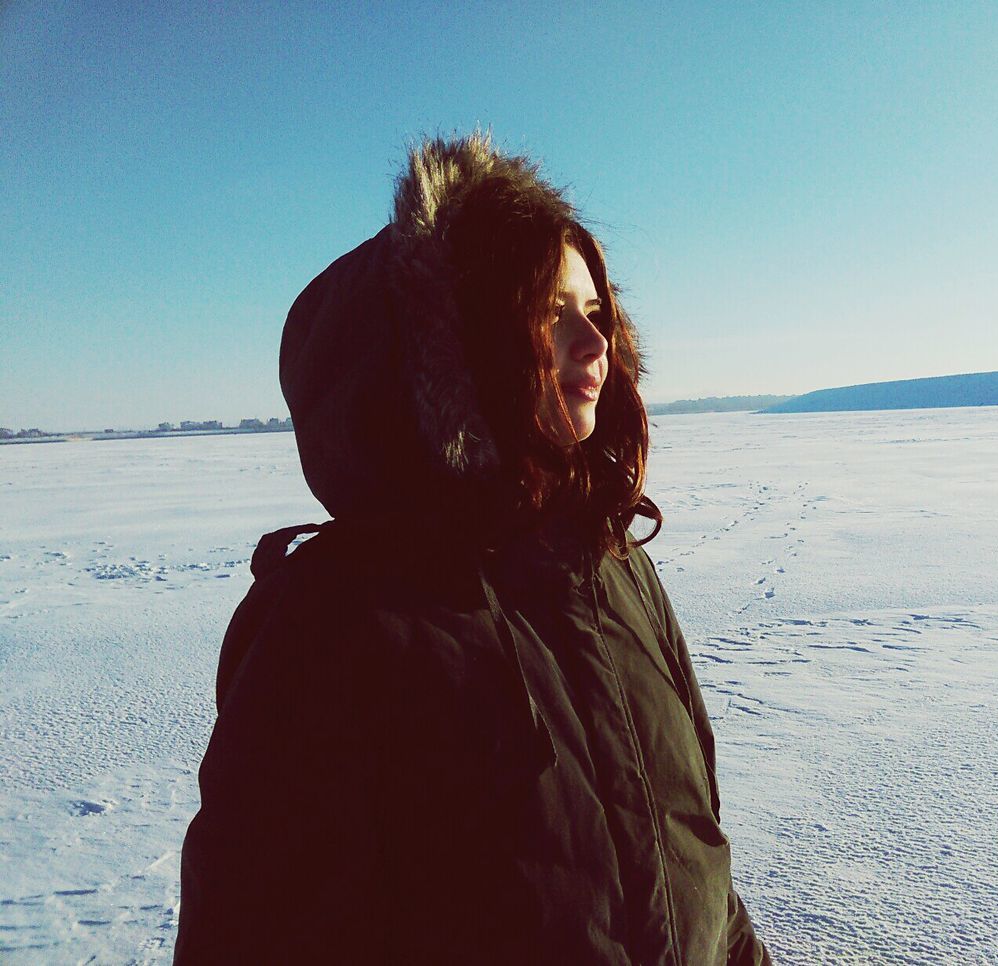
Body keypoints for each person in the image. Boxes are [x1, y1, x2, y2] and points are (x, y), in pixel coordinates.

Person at [175, 133, 772, 965]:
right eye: (550, 313)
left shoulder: (617, 569)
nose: (592, 345)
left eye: (596, 314)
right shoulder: (336, 619)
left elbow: (702, 870)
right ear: (460, 341)